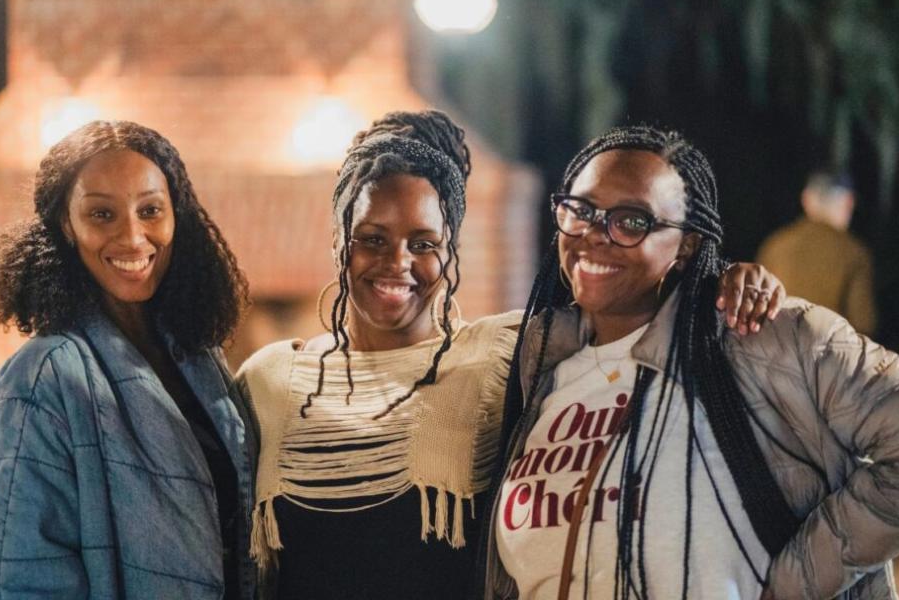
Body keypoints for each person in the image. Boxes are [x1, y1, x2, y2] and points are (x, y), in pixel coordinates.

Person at [237, 111, 785, 600]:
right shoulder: (270, 379)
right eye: (372, 239)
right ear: (340, 241)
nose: (397, 261)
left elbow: (636, 304)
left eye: (423, 243)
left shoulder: (506, 351)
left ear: (450, 251)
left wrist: (724, 278)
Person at [480, 126, 899, 600]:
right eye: (580, 210)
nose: (594, 236)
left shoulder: (773, 341)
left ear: (687, 244)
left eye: (631, 222)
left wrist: (797, 582)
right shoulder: (533, 368)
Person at [0, 121, 257, 599]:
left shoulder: (199, 360)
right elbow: (12, 582)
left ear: (175, 216)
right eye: (102, 214)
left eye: (151, 210)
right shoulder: (40, 382)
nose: (134, 237)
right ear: (66, 226)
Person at [757, 169, 876, 335]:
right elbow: (864, 324)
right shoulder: (854, 253)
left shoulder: (775, 245)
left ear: (806, 199)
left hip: (774, 353)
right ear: (849, 202)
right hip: (827, 356)